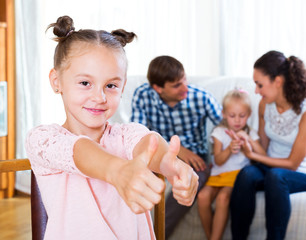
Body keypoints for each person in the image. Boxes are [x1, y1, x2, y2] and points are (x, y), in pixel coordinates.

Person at [25, 16, 199, 240]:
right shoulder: (43, 139)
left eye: (111, 85)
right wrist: (118, 172)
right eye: (85, 83)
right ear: (56, 80)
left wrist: (172, 165)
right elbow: (79, 151)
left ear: (123, 86)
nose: (99, 97)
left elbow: (149, 145)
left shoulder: (127, 134)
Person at [229, 50, 306, 240]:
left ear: (278, 81)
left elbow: (293, 164)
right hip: (271, 169)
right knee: (246, 175)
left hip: (302, 174)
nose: (256, 91)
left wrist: (253, 156)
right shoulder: (265, 105)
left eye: (259, 84)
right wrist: (248, 142)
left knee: (275, 176)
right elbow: (263, 146)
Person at [130, 55, 222, 238]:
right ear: (158, 88)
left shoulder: (201, 98)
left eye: (184, 80)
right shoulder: (143, 95)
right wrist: (178, 149)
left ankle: (155, 236)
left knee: (186, 180)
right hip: (157, 154)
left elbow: (225, 128)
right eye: (176, 85)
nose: (185, 88)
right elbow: (137, 134)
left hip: (196, 158)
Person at [197, 89, 265, 240]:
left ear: (249, 114)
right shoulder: (219, 132)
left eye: (242, 116)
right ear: (224, 114)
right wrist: (229, 149)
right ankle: (212, 237)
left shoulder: (250, 133)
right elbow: (219, 160)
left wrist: (248, 139)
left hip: (236, 177)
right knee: (202, 197)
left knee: (222, 199)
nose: (237, 121)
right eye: (232, 116)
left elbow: (263, 156)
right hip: (217, 175)